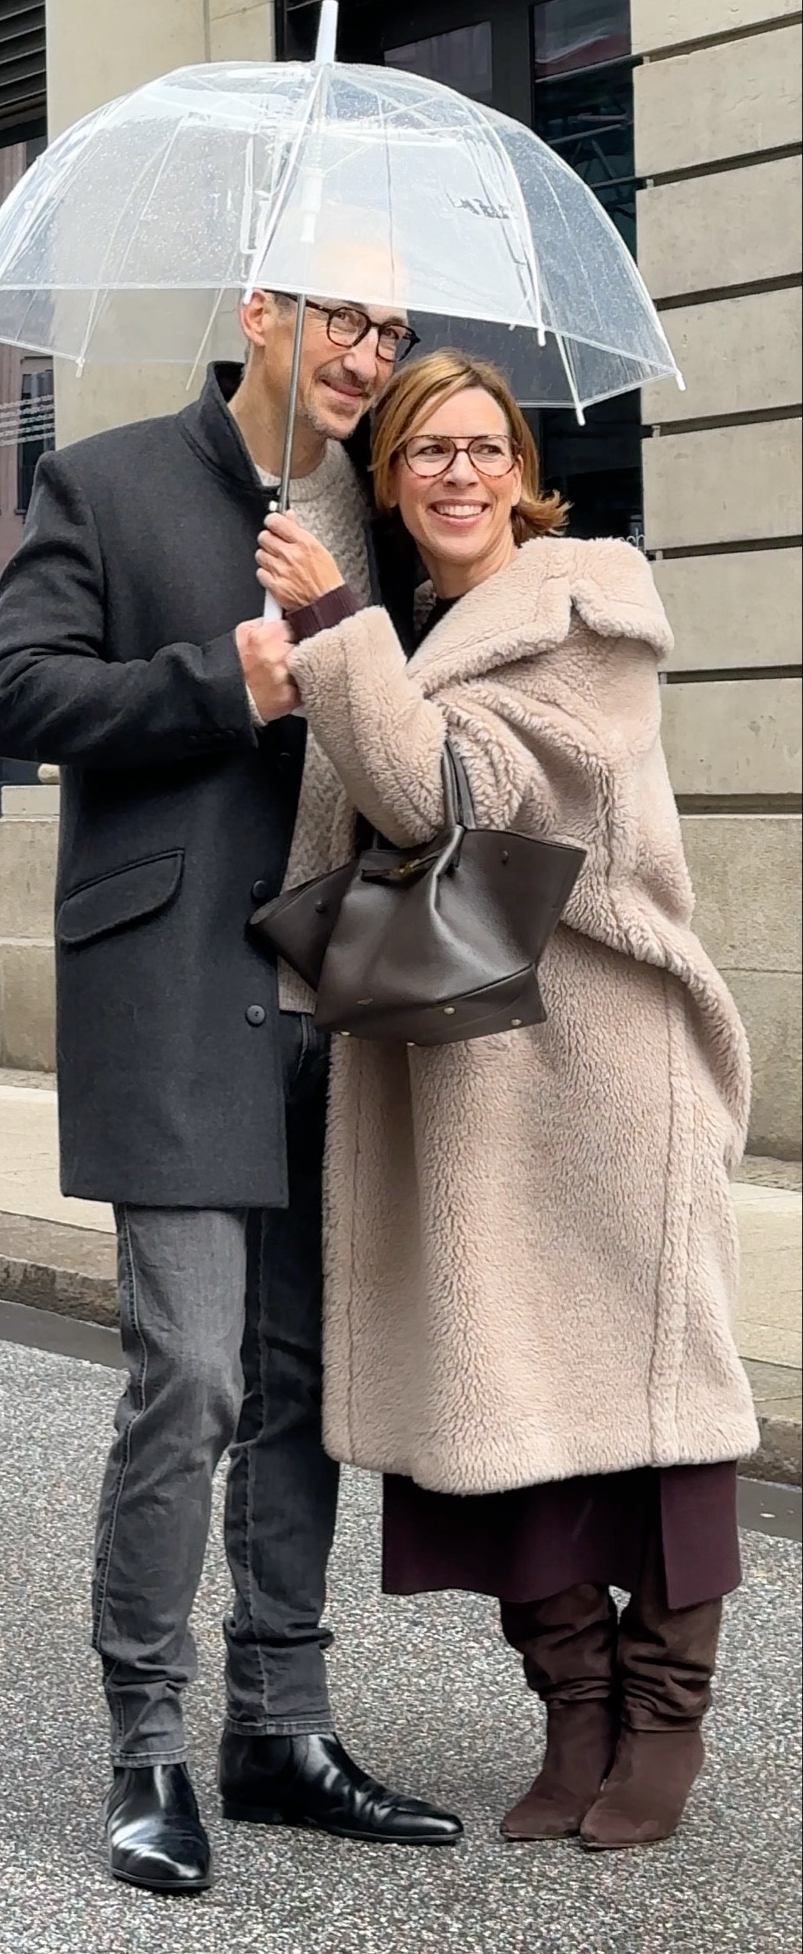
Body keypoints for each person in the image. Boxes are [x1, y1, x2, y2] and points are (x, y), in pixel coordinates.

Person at [0, 291, 463, 1898]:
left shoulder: (383, 506)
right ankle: (148, 1750)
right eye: (343, 320)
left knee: (302, 1383)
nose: (368, 357)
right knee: (188, 1373)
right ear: (261, 311)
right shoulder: (109, 483)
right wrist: (221, 679)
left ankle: (280, 1729)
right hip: (179, 990)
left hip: (351, 991)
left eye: (391, 332)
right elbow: (12, 694)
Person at [251, 348, 760, 1854]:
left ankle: (662, 1719)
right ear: (392, 478)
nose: (458, 473)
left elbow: (444, 802)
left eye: (483, 448)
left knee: (657, 1408)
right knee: (501, 1399)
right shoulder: (416, 625)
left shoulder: (584, 612)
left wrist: (333, 632)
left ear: (524, 473)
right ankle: (574, 1709)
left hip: (606, 1071)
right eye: (426, 451)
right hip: (465, 1076)